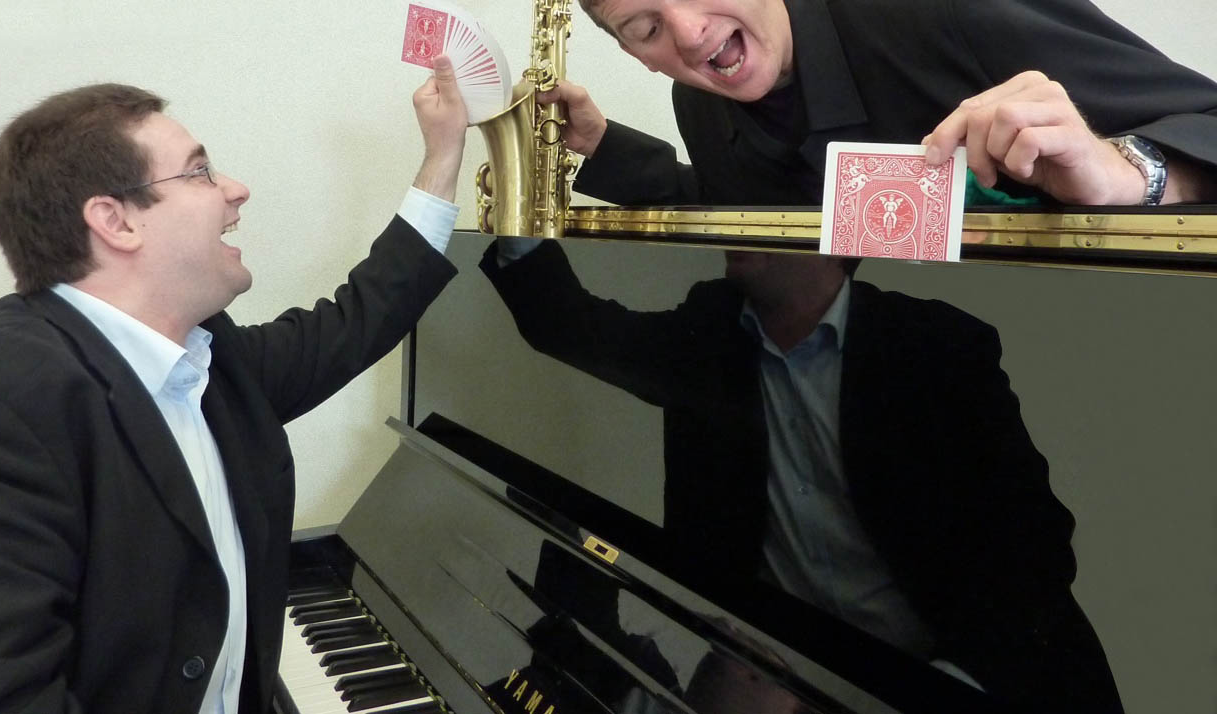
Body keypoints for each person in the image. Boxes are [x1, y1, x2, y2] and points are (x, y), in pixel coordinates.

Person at [0, 56, 469, 714]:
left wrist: (443, 154)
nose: (235, 190)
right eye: (199, 171)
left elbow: (361, 317)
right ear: (116, 221)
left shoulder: (210, 361)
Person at [479, 238, 1122, 713]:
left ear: (836, 244)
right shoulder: (712, 329)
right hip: (788, 689)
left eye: (761, 208)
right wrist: (517, 184)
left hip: (971, 683)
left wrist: (936, 691)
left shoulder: (935, 346)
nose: (731, 224)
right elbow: (573, 329)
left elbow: (1036, 550)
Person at [541, 0, 1217, 208]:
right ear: (634, 55)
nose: (689, 35)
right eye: (647, 30)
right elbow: (749, 219)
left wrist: (1128, 175)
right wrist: (604, 148)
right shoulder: (700, 105)